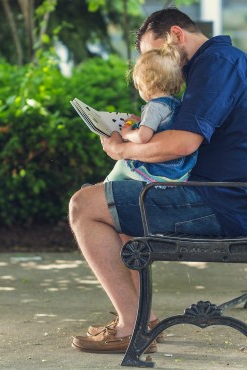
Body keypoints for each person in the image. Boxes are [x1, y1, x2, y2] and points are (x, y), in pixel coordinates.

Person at [69, 7, 247, 354]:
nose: (156, 66)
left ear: (177, 35)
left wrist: (122, 151)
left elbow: (182, 143)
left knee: (84, 205)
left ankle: (131, 326)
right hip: (216, 194)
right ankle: (142, 322)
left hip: (220, 202)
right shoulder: (210, 65)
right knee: (111, 200)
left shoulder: (217, 64)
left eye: (156, 54)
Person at [106, 37, 197, 183]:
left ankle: (102, 188)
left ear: (144, 85)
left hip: (161, 170)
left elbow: (143, 137)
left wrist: (128, 133)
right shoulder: (176, 104)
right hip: (178, 170)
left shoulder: (154, 107)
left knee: (122, 165)